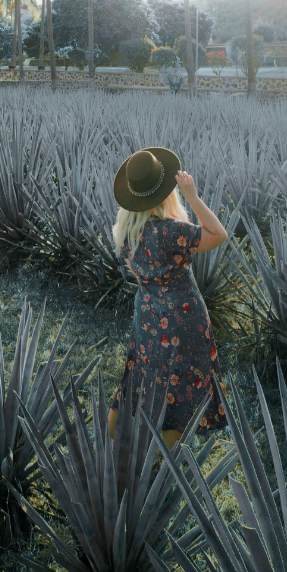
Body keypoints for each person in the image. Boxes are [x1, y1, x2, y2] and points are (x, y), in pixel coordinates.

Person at [108, 147, 229, 449]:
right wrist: (192, 196)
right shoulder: (171, 231)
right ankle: (172, 466)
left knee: (138, 377)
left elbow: (142, 278)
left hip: (147, 317)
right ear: (165, 191)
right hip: (183, 322)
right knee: (179, 389)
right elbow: (218, 234)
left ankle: (110, 444)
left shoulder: (125, 232)